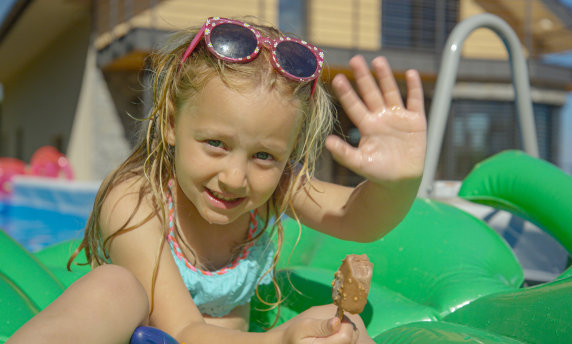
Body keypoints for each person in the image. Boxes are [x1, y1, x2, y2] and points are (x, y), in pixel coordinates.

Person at [7, 16, 426, 344]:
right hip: (152, 337)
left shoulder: (275, 188)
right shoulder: (135, 200)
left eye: (265, 155)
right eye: (215, 144)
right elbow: (184, 331)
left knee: (343, 325)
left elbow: (356, 218)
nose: (235, 177)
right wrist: (280, 338)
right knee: (114, 287)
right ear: (171, 123)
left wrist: (397, 183)